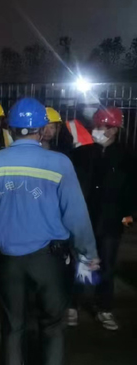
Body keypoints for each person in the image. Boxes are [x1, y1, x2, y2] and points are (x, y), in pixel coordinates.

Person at [0, 98, 99, 365]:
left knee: (12, 324)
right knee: (52, 323)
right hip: (49, 260)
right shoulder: (59, 164)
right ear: (42, 129)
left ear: (10, 128)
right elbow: (76, 215)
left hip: (8, 258)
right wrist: (88, 252)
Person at [69, 107, 135, 331]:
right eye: (97, 126)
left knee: (106, 266)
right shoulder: (83, 153)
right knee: (81, 264)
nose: (99, 130)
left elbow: (131, 188)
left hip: (111, 221)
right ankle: (73, 305)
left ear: (115, 129)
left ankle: (104, 308)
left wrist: (129, 214)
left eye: (105, 127)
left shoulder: (126, 156)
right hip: (84, 218)